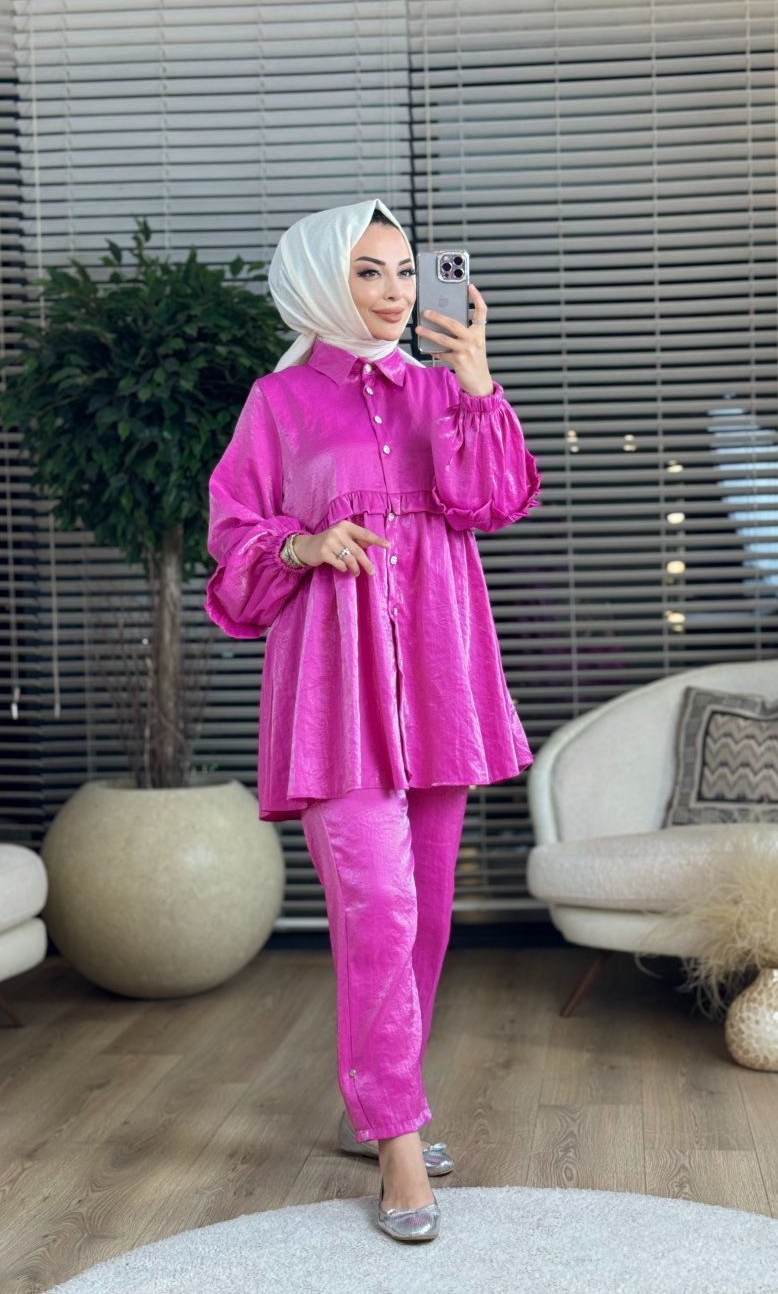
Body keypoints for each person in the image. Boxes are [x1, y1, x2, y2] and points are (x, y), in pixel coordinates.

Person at [204, 198, 541, 1242]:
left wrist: (478, 383)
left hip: (438, 675)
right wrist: (302, 545)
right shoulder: (278, 403)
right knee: (380, 907)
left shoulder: (443, 389)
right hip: (334, 690)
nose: (396, 293)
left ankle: (381, 1098)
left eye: (405, 271)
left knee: (426, 912)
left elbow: (494, 503)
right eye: (369, 272)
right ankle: (397, 1136)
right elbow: (232, 537)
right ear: (320, 281)